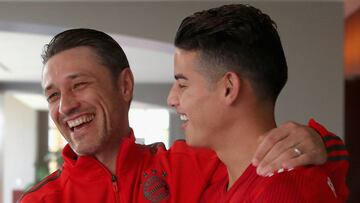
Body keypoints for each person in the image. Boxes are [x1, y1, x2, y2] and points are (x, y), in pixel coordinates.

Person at [18, 27, 346, 203]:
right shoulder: (43, 201)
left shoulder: (193, 165)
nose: (65, 106)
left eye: (79, 85)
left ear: (125, 86)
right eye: (53, 95)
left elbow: (263, 149)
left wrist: (321, 142)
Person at [167, 4, 348, 203]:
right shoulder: (216, 190)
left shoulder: (286, 191)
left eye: (183, 85)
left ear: (228, 88)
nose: (172, 99)